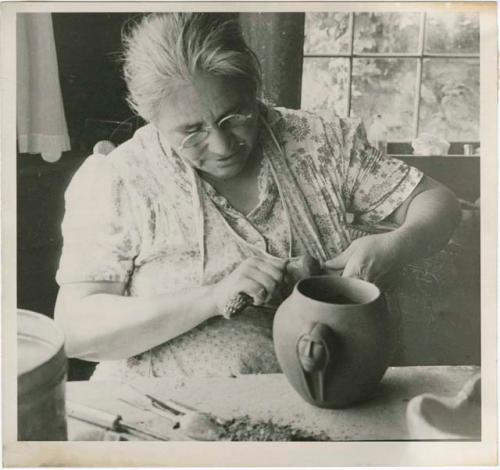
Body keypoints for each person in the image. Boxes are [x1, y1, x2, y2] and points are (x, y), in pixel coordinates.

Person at [54, 13, 460, 383]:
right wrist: (213, 298)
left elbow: (437, 203)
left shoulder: (319, 143)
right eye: (191, 131)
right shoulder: (121, 179)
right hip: (165, 410)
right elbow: (76, 329)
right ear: (152, 118)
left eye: (235, 116)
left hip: (329, 393)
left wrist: (393, 245)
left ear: (253, 90)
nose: (221, 145)